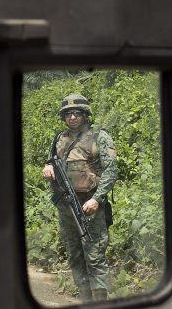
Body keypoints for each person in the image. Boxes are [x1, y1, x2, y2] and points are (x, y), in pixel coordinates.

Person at [42, 93, 118, 302]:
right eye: (68, 113)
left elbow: (111, 171)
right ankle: (85, 299)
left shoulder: (99, 137)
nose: (72, 117)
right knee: (75, 255)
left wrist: (97, 199)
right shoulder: (59, 138)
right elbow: (52, 160)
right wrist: (48, 167)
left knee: (94, 256)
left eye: (76, 113)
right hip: (66, 206)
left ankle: (100, 300)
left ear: (85, 114)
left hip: (90, 205)